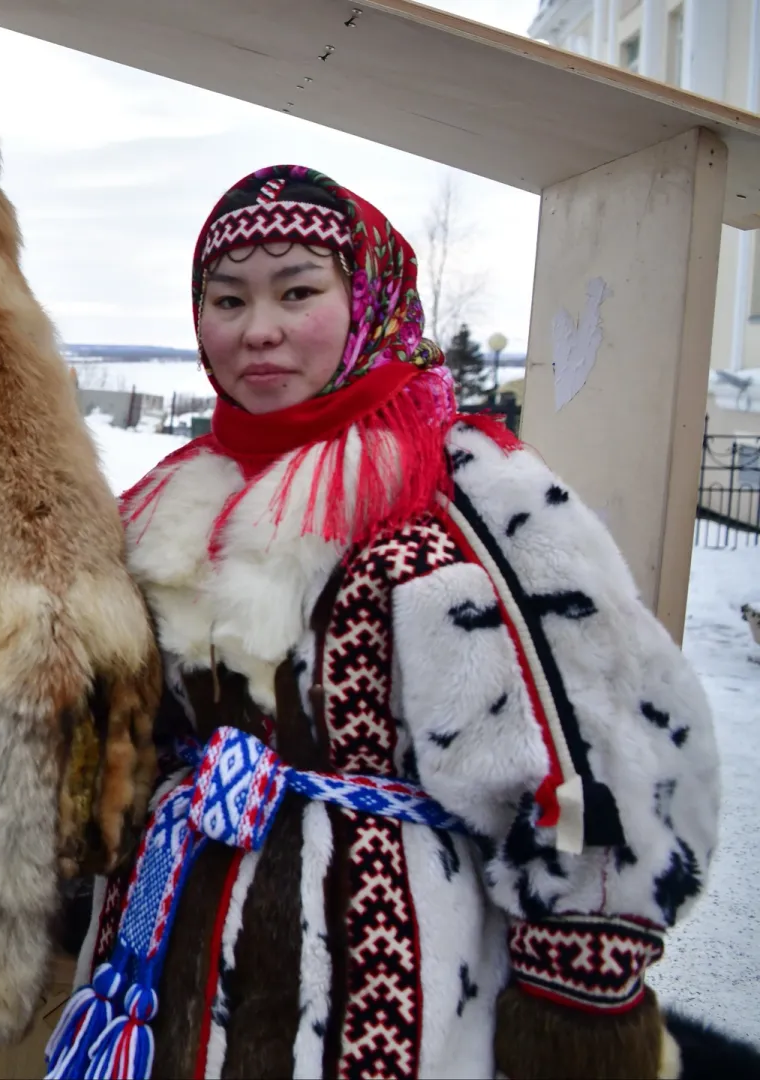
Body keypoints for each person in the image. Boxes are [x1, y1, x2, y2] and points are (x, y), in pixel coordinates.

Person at [46, 166, 718, 1079]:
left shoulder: (469, 495)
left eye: (298, 291)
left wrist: (579, 997)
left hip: (384, 985)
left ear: (367, 296)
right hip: (163, 963)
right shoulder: (172, 499)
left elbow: (598, 749)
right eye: (227, 298)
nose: (259, 329)